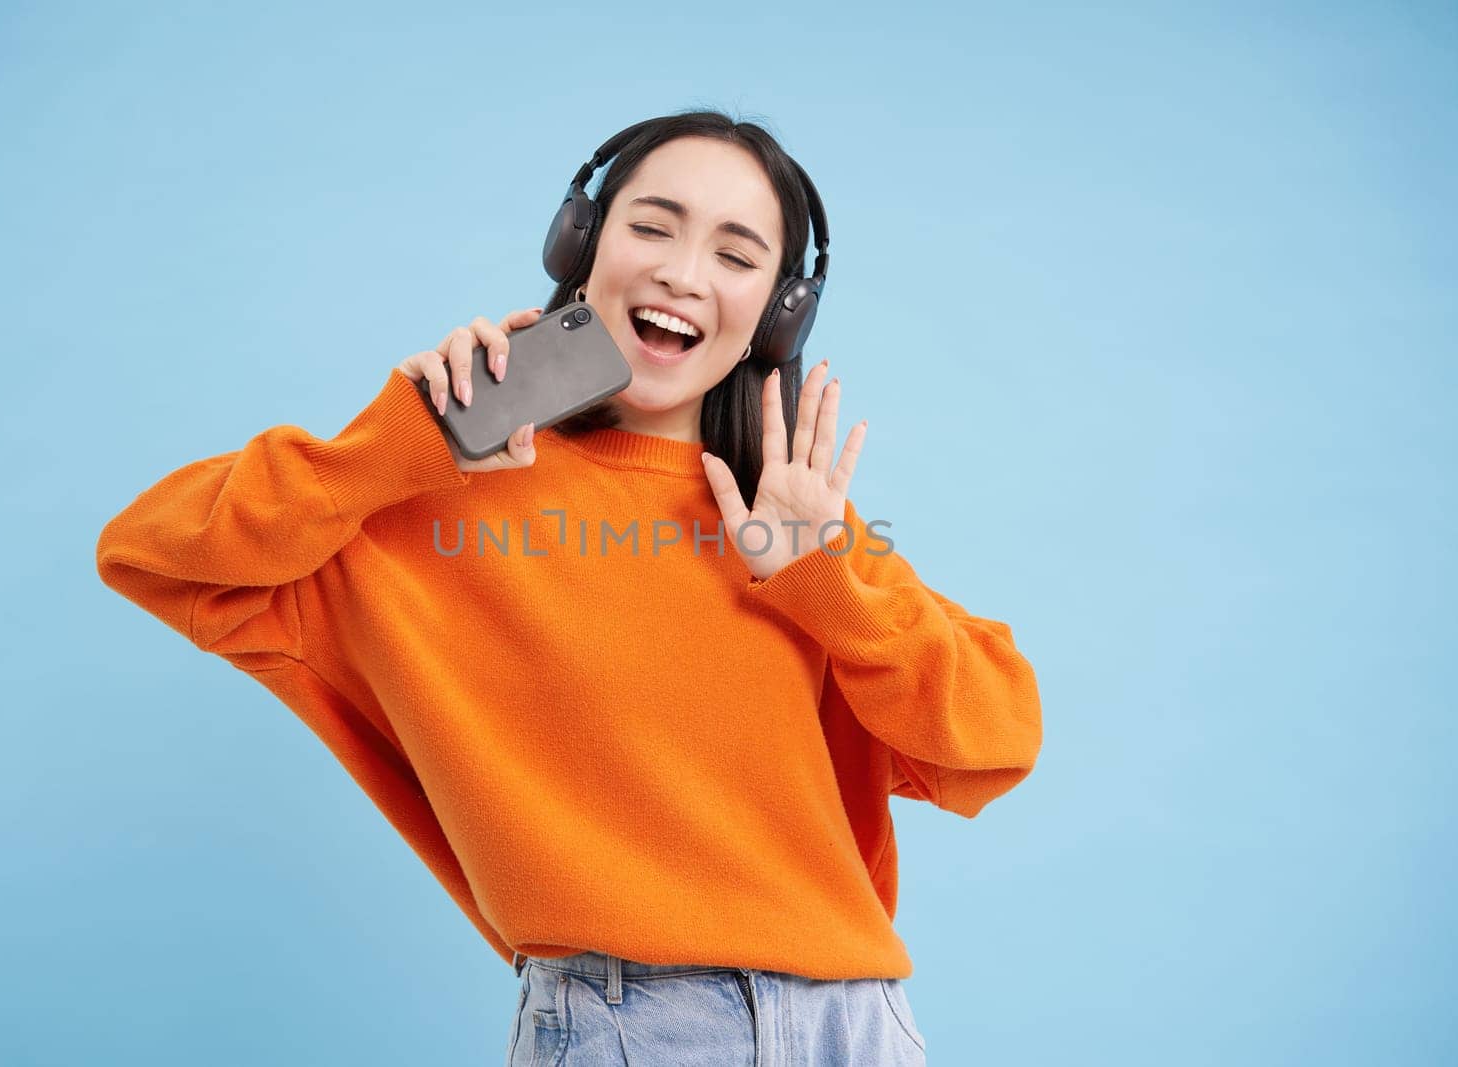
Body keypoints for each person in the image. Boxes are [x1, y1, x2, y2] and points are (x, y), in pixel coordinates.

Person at [95, 108, 1043, 1065]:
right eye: (653, 225)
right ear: (581, 243)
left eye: (736, 253)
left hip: (857, 1025)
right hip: (633, 1026)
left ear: (777, 310)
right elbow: (153, 549)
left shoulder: (791, 523)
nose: (682, 273)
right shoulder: (433, 502)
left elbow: (992, 745)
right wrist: (394, 446)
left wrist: (822, 580)